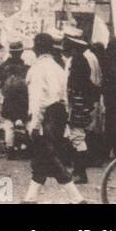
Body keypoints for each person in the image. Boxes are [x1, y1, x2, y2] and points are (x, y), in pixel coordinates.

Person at [23, 32, 86, 204]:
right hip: (59, 115)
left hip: (46, 117)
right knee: (43, 158)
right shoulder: (59, 68)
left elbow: (38, 101)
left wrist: (35, 125)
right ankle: (30, 199)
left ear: (36, 48)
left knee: (48, 156)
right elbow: (65, 98)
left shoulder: (36, 70)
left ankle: (77, 199)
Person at [63, 26, 100, 183]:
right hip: (80, 101)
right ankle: (78, 170)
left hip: (77, 102)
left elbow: (78, 84)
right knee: (77, 136)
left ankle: (80, 172)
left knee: (78, 136)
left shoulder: (78, 60)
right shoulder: (80, 58)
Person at [0, 41, 29, 154]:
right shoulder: (25, 67)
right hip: (23, 98)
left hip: (9, 98)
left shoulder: (4, 66)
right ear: (21, 52)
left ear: (10, 52)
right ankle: (22, 146)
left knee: (9, 123)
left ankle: (10, 147)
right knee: (22, 121)